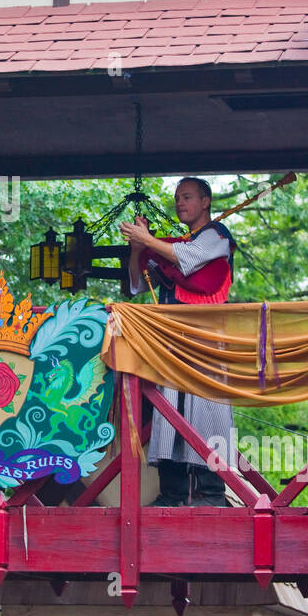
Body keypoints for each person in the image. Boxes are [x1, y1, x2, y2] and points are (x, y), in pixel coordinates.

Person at [120, 178, 236, 507]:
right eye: (177, 198)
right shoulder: (174, 246)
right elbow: (135, 284)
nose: (179, 203)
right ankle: (171, 492)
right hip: (172, 338)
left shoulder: (216, 236)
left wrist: (149, 239)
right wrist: (140, 249)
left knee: (207, 411)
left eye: (186, 197)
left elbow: (187, 256)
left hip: (206, 340)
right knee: (168, 411)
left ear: (206, 201)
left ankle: (211, 493)